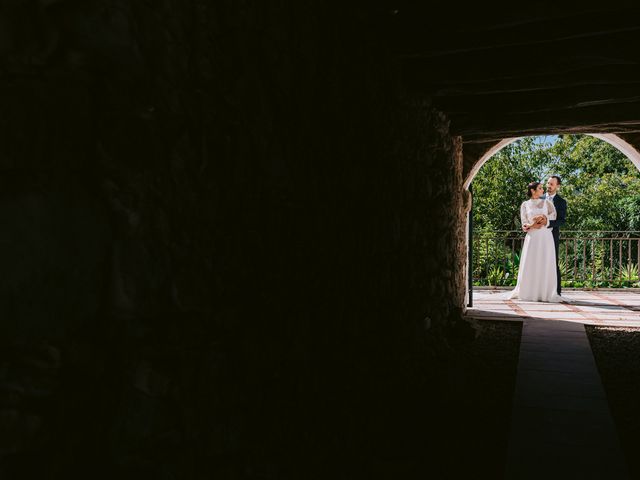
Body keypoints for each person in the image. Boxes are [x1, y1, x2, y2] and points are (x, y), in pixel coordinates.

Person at [506, 181, 564, 303]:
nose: (543, 190)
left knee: (545, 262)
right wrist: (533, 224)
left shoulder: (548, 203)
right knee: (531, 262)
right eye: (540, 188)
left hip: (545, 238)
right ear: (533, 191)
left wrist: (543, 220)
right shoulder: (525, 205)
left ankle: (545, 292)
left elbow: (552, 218)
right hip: (532, 238)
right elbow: (524, 225)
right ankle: (530, 292)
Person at [544, 175, 567, 295]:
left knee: (553, 262)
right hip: (538, 236)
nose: (548, 186)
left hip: (552, 236)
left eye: (551, 184)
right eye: (548, 183)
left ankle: (556, 292)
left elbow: (562, 220)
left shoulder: (561, 202)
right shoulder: (539, 198)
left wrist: (547, 223)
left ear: (558, 186)